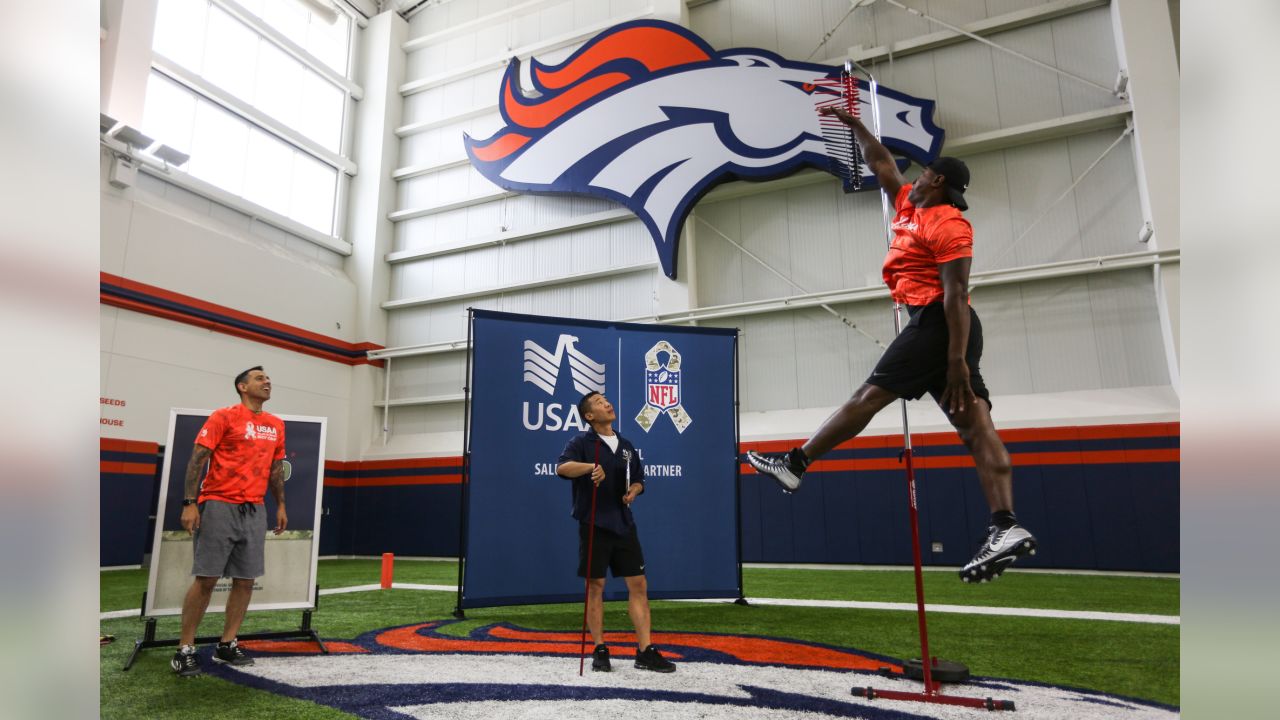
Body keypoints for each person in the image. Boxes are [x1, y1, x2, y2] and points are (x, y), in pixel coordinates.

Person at [747, 106, 1037, 584]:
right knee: (976, 428)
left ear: (936, 180)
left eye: (923, 172)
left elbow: (955, 297)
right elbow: (881, 162)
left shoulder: (948, 224)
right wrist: (856, 125)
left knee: (869, 395)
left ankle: (795, 464)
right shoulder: (907, 206)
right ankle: (1005, 525)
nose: (914, 177)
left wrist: (957, 361)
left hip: (941, 326)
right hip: (938, 330)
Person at [171, 366, 288, 677]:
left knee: (246, 580)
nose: (267, 381)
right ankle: (185, 649)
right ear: (242, 386)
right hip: (219, 504)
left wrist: (280, 504)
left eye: (268, 377)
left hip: (255, 509)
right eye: (260, 378)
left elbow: (276, 469)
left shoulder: (276, 424)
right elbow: (197, 458)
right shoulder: (223, 416)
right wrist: (189, 503)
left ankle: (227, 643)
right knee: (207, 578)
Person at [556, 391, 676, 673]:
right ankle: (600, 648)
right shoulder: (580, 443)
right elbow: (562, 467)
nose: (607, 403)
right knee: (595, 587)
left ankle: (645, 651)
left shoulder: (626, 445)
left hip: (624, 525)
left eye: (606, 400)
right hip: (594, 524)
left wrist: (634, 490)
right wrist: (590, 468)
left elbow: (638, 479)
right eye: (599, 402)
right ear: (589, 416)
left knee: (639, 586)